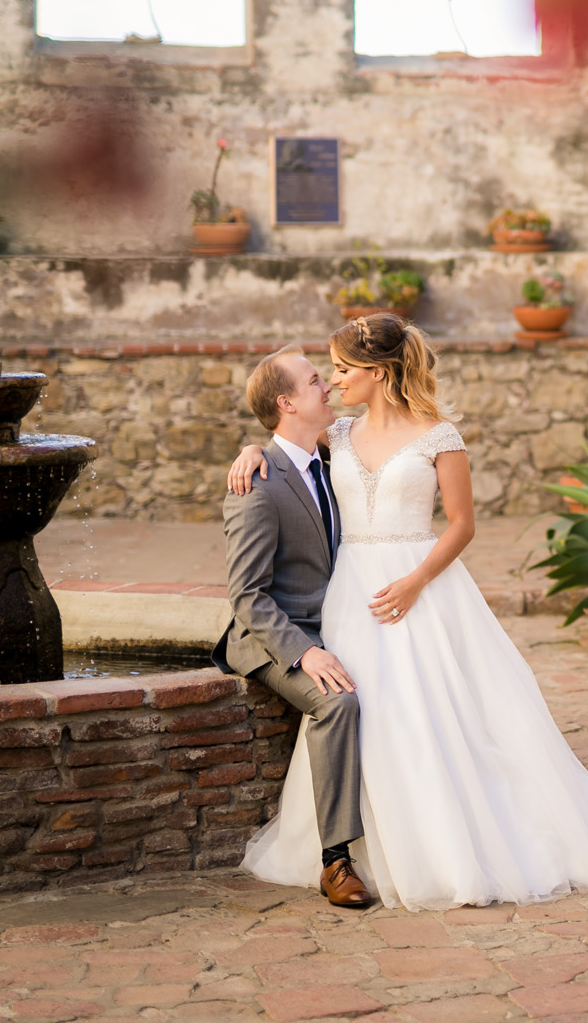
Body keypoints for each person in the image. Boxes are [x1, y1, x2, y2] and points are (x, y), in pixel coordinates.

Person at [229, 314, 588, 909]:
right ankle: (352, 846)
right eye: (330, 372)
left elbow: (464, 524)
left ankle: (460, 838)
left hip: (422, 587)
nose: (336, 380)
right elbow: (285, 446)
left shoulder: (439, 436)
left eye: (343, 369)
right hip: (353, 593)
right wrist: (248, 449)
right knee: (375, 710)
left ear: (377, 372)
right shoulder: (338, 434)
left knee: (443, 710)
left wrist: (418, 581)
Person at [212, 344, 372, 910]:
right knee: (337, 704)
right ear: (286, 402)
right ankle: (336, 861)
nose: (326, 385)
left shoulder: (334, 459)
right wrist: (304, 654)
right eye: (312, 381)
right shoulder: (257, 485)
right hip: (274, 636)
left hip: (340, 621)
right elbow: (247, 596)